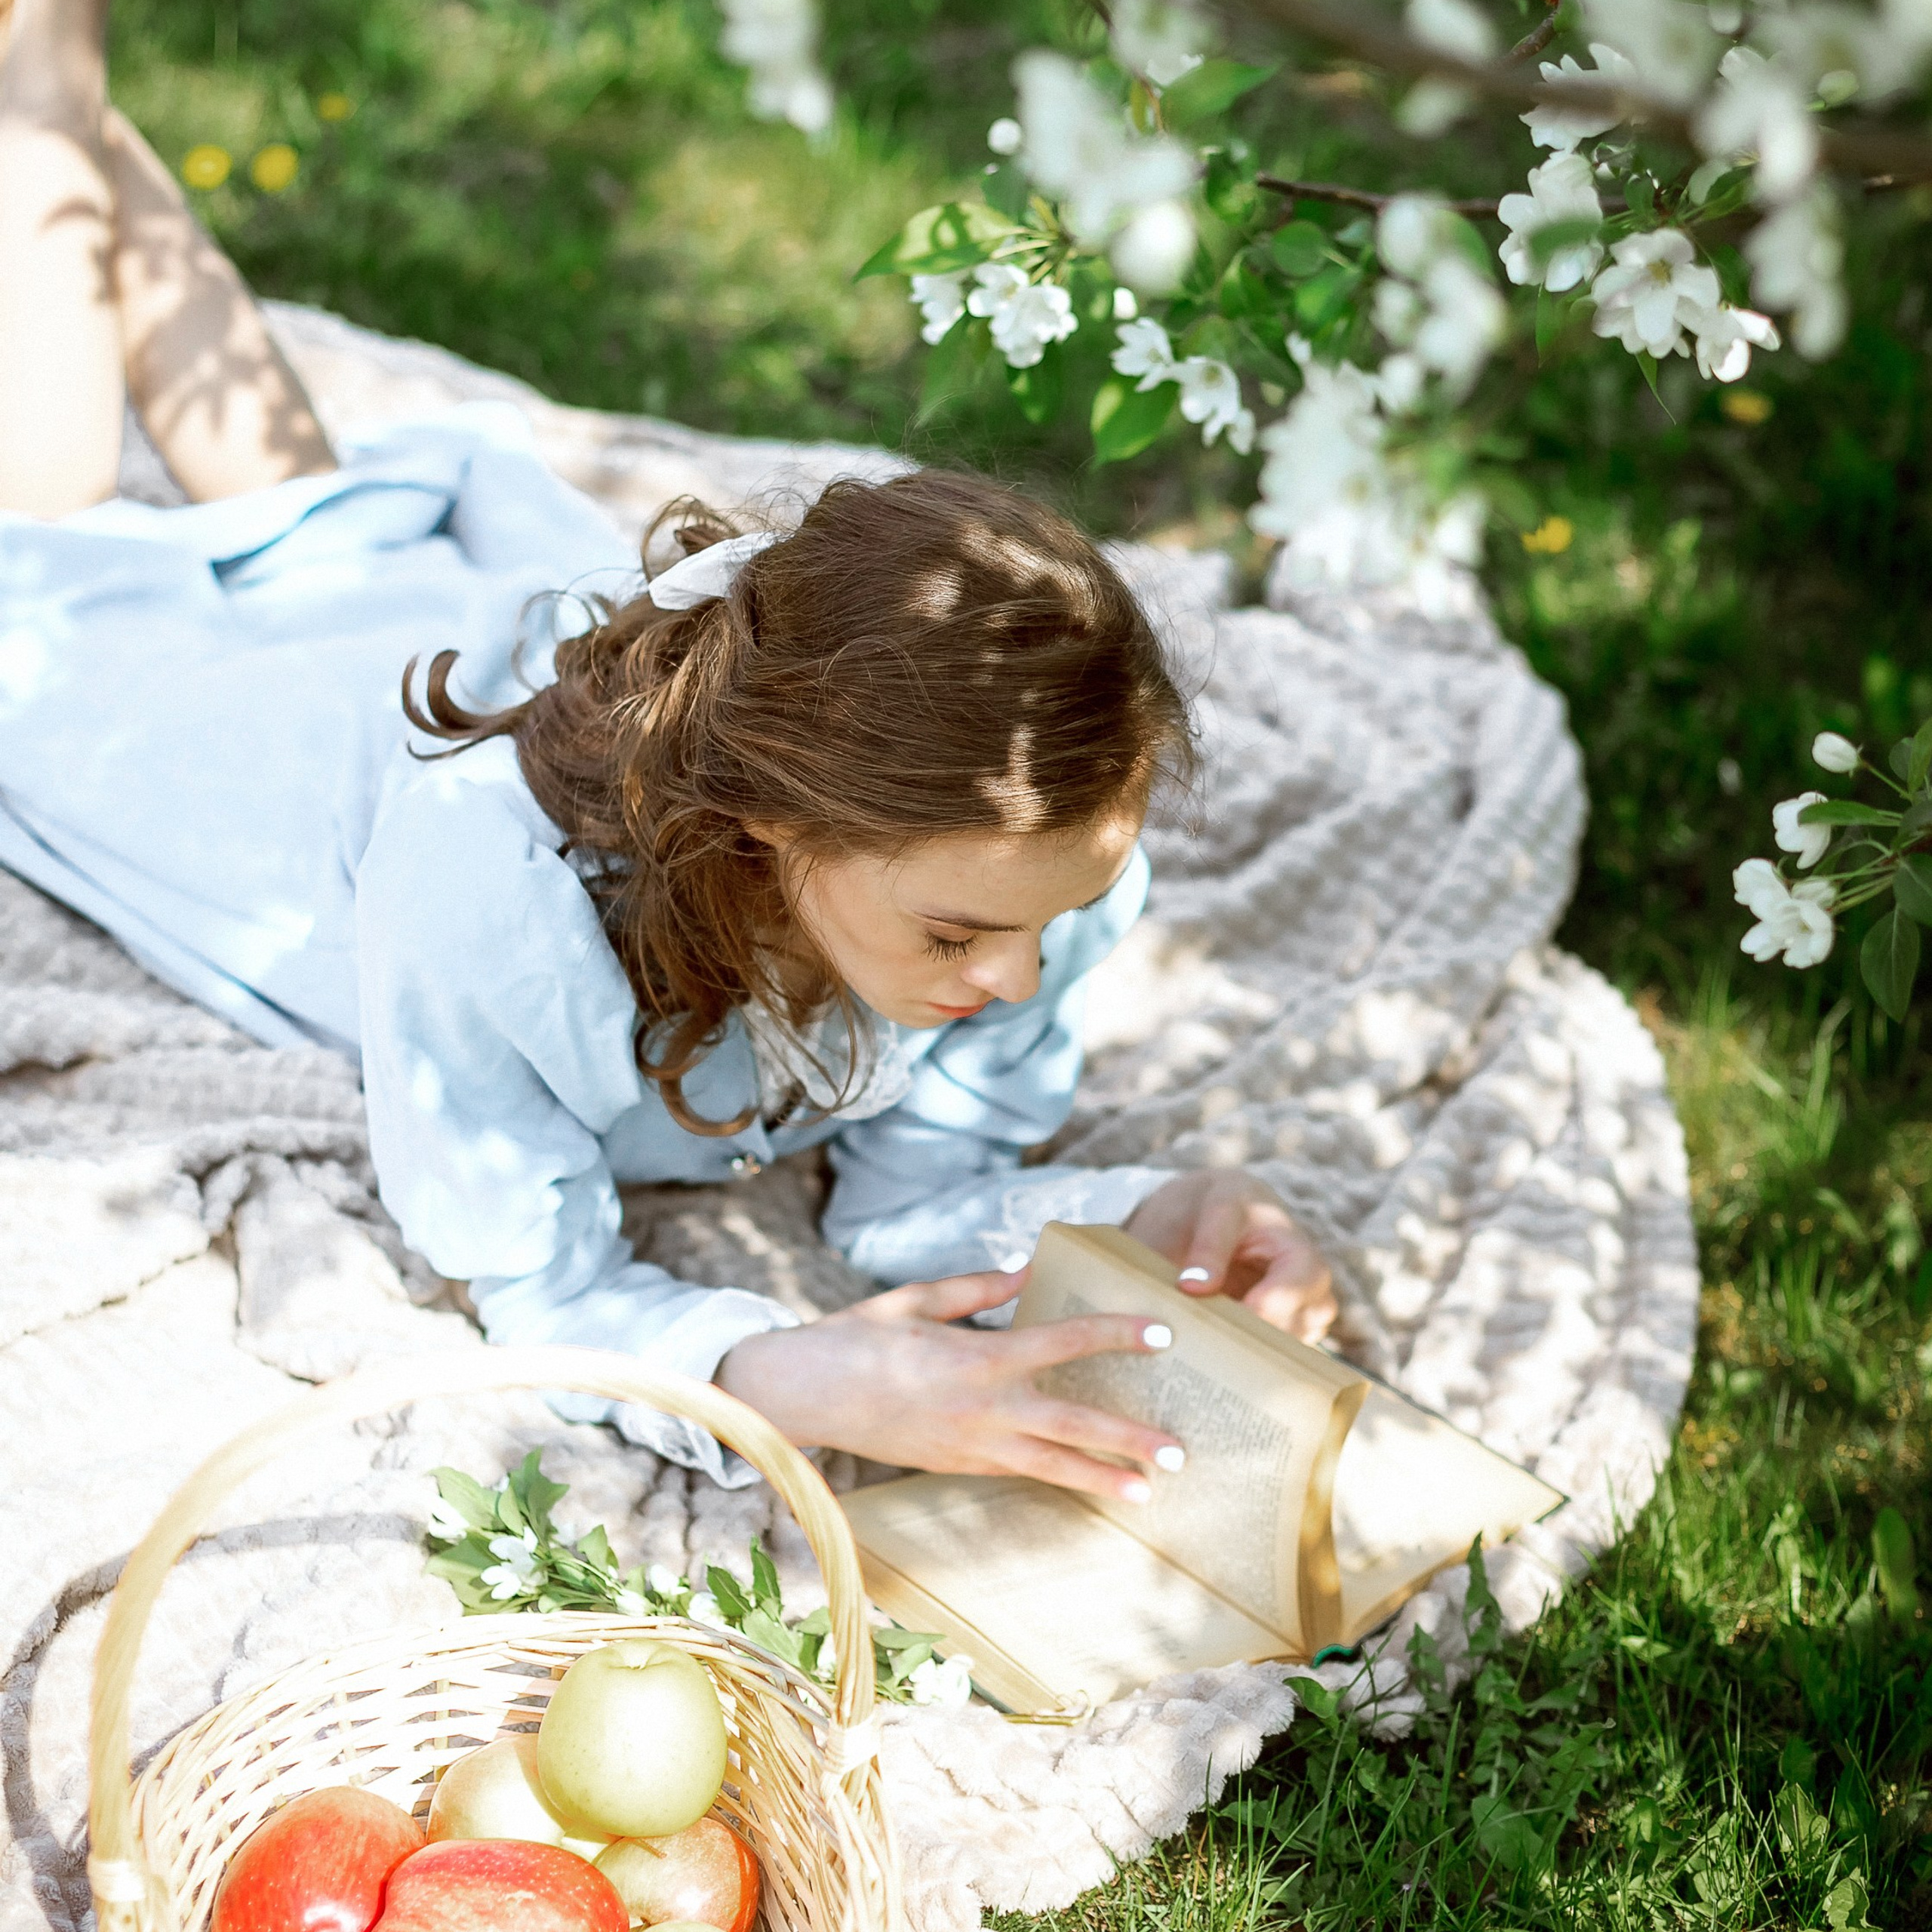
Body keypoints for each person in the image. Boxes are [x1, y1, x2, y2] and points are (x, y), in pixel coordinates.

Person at [0, 0, 1337, 1496]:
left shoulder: (1034, 877)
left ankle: (45, 74)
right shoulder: (491, 900)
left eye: (1047, 923)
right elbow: (539, 1284)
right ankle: (42, 74)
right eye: (958, 934)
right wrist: (775, 1375)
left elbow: (920, 1190)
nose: (1017, 979)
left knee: (315, 517)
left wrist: (1149, 1211)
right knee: (60, 552)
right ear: (777, 818)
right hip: (304, 775)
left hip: (468, 658)